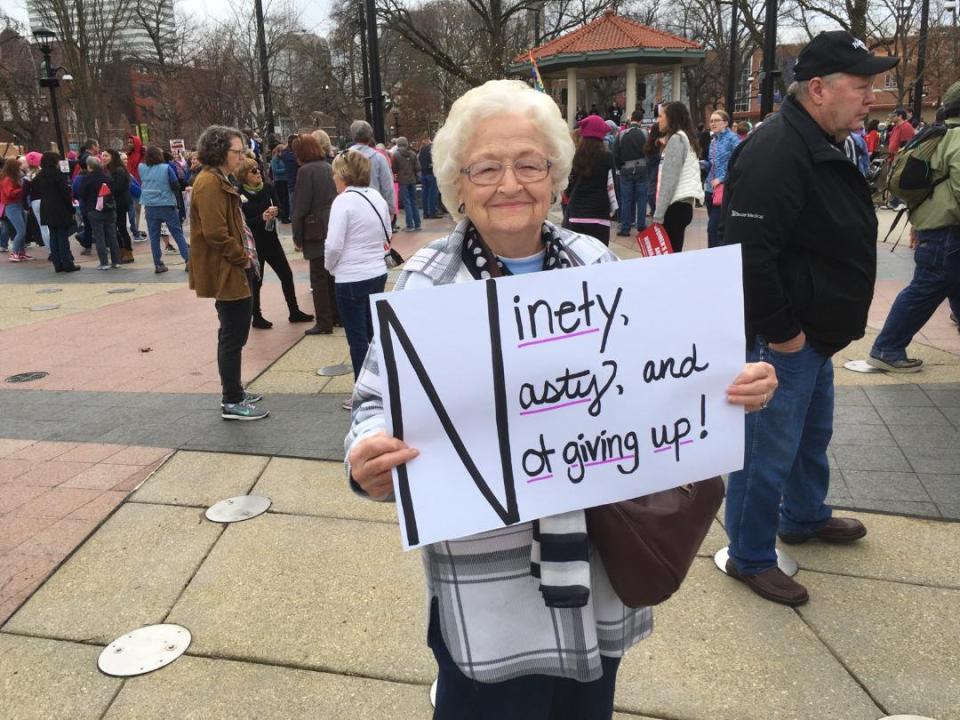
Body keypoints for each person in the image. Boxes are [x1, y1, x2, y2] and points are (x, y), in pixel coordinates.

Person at [345, 79, 778, 718]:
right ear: (458, 183)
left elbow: (657, 378)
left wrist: (729, 385)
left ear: (555, 177)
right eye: (487, 168)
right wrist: (366, 457)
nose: (511, 184)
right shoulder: (423, 285)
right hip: (486, 580)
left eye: (529, 164)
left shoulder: (596, 265)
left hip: (596, 566)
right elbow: (371, 407)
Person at [720, 30, 900, 606]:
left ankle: (802, 515)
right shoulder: (778, 148)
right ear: (817, 88)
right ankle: (749, 555)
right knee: (764, 450)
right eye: (861, 85)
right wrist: (785, 335)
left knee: (809, 438)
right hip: (787, 338)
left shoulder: (822, 137)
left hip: (814, 333)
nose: (871, 96)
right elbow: (749, 255)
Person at [867, 81, 960, 373]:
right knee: (927, 287)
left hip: (935, 224)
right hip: (949, 229)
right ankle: (887, 347)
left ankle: (888, 346)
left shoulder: (941, 133)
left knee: (944, 283)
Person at [190, 126, 268, 421]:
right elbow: (215, 233)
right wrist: (242, 257)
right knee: (233, 334)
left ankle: (234, 391)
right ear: (221, 151)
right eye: (237, 152)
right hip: (228, 269)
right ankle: (231, 400)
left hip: (234, 266)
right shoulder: (209, 182)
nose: (241, 157)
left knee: (235, 332)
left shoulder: (219, 179)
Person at [324, 150, 390, 408]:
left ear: (342, 174)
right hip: (376, 271)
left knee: (357, 339)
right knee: (374, 335)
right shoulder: (376, 197)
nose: (332, 177)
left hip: (350, 275)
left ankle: (363, 393)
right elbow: (387, 233)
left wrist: (331, 268)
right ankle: (383, 384)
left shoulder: (343, 201)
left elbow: (333, 245)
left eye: (335, 172)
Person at [235, 157, 314, 329]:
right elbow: (241, 223)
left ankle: (294, 311)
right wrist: (260, 218)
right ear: (243, 175)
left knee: (286, 274)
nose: (258, 173)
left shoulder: (268, 188)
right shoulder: (239, 194)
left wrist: (277, 211)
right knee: (257, 281)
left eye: (258, 169)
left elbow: (282, 210)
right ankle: (256, 316)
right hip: (254, 244)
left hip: (271, 240)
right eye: (253, 171)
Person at [291, 133, 340, 335]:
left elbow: (301, 206)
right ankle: (338, 316)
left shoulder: (305, 171)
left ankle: (324, 321)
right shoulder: (328, 167)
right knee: (331, 275)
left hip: (314, 228)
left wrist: (297, 235)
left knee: (318, 277)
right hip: (331, 224)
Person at [651, 102, 704, 252]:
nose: (658, 120)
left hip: (674, 206)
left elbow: (669, 180)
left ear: (671, 117)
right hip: (682, 205)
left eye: (661, 116)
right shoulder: (686, 138)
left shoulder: (676, 140)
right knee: (674, 254)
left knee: (668, 260)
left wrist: (658, 215)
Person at [562, 114, 616, 246]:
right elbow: (613, 184)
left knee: (577, 254)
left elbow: (569, 186)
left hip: (576, 212)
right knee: (599, 254)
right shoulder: (608, 157)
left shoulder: (576, 157)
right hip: (599, 213)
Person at [139, 146, 190, 273]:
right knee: (177, 233)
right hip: (166, 204)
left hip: (150, 206)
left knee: (154, 237)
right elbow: (175, 185)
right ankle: (188, 260)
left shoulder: (142, 168)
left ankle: (158, 264)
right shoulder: (166, 168)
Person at [31, 151, 79, 273]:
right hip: (60, 208)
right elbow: (65, 194)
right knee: (63, 237)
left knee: (53, 236)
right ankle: (67, 263)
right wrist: (71, 209)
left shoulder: (39, 176)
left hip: (46, 207)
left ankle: (57, 264)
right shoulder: (58, 175)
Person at [78, 156, 121, 270]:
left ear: (89, 166)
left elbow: (82, 194)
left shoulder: (87, 179)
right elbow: (114, 190)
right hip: (109, 209)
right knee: (112, 235)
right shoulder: (107, 176)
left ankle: (104, 262)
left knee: (99, 237)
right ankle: (116, 261)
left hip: (94, 210)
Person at [704, 110, 740, 248]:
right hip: (709, 189)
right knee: (716, 227)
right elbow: (712, 163)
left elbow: (739, 163)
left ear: (725, 122)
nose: (713, 123)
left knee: (713, 228)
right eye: (711, 121)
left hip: (723, 189)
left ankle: (715, 259)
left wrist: (722, 178)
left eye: (716, 120)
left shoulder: (733, 139)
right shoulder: (713, 141)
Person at [348, 120, 396, 220]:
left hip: (350, 209)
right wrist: (391, 209)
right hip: (374, 209)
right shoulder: (379, 158)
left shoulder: (342, 157)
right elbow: (387, 186)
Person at [614, 110, 649, 237]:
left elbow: (615, 154)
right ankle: (641, 225)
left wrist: (620, 166)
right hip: (642, 170)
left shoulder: (621, 134)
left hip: (625, 170)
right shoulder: (645, 134)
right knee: (641, 199)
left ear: (631, 119)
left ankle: (625, 228)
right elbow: (649, 152)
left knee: (626, 200)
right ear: (641, 120)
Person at [104, 149, 134, 264]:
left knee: (121, 227)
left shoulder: (119, 171)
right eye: (103, 156)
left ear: (112, 157)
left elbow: (117, 188)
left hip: (120, 203)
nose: (104, 158)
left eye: (106, 156)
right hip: (115, 202)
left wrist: (106, 188)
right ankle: (121, 250)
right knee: (117, 228)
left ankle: (128, 251)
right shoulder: (110, 170)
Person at [1, 158, 30, 262]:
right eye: (17, 167)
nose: (19, 168)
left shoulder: (12, 177)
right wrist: (22, 188)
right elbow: (9, 193)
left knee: (23, 230)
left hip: (18, 205)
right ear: (13, 168)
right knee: (21, 231)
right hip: (11, 206)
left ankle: (21, 253)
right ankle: (15, 253)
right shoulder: (7, 179)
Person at [393, 137, 421, 231]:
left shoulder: (396, 155)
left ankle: (410, 225)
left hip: (403, 181)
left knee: (407, 202)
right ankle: (417, 224)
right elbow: (418, 168)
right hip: (412, 180)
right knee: (414, 202)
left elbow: (394, 169)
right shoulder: (413, 154)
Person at [125, 135, 146, 241]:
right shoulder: (129, 155)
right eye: (128, 142)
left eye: (131, 142)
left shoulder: (142, 156)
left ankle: (138, 231)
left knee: (139, 210)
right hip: (132, 185)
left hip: (140, 185)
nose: (129, 144)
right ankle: (137, 231)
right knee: (135, 210)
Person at [418, 135, 440, 218]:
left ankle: (425, 213)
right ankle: (433, 212)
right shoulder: (432, 149)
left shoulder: (422, 150)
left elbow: (419, 160)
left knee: (425, 194)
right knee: (432, 193)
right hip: (431, 173)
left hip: (423, 173)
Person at [269, 144, 291, 223]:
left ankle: (287, 216)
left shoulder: (284, 159)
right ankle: (283, 217)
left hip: (286, 181)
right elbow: (275, 171)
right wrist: (286, 169)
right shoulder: (275, 159)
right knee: (281, 199)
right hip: (279, 181)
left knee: (286, 199)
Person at [644, 123, 662, 218]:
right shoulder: (659, 143)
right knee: (653, 188)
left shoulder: (648, 143)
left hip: (648, 168)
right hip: (656, 169)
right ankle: (655, 210)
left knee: (650, 186)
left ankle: (652, 209)